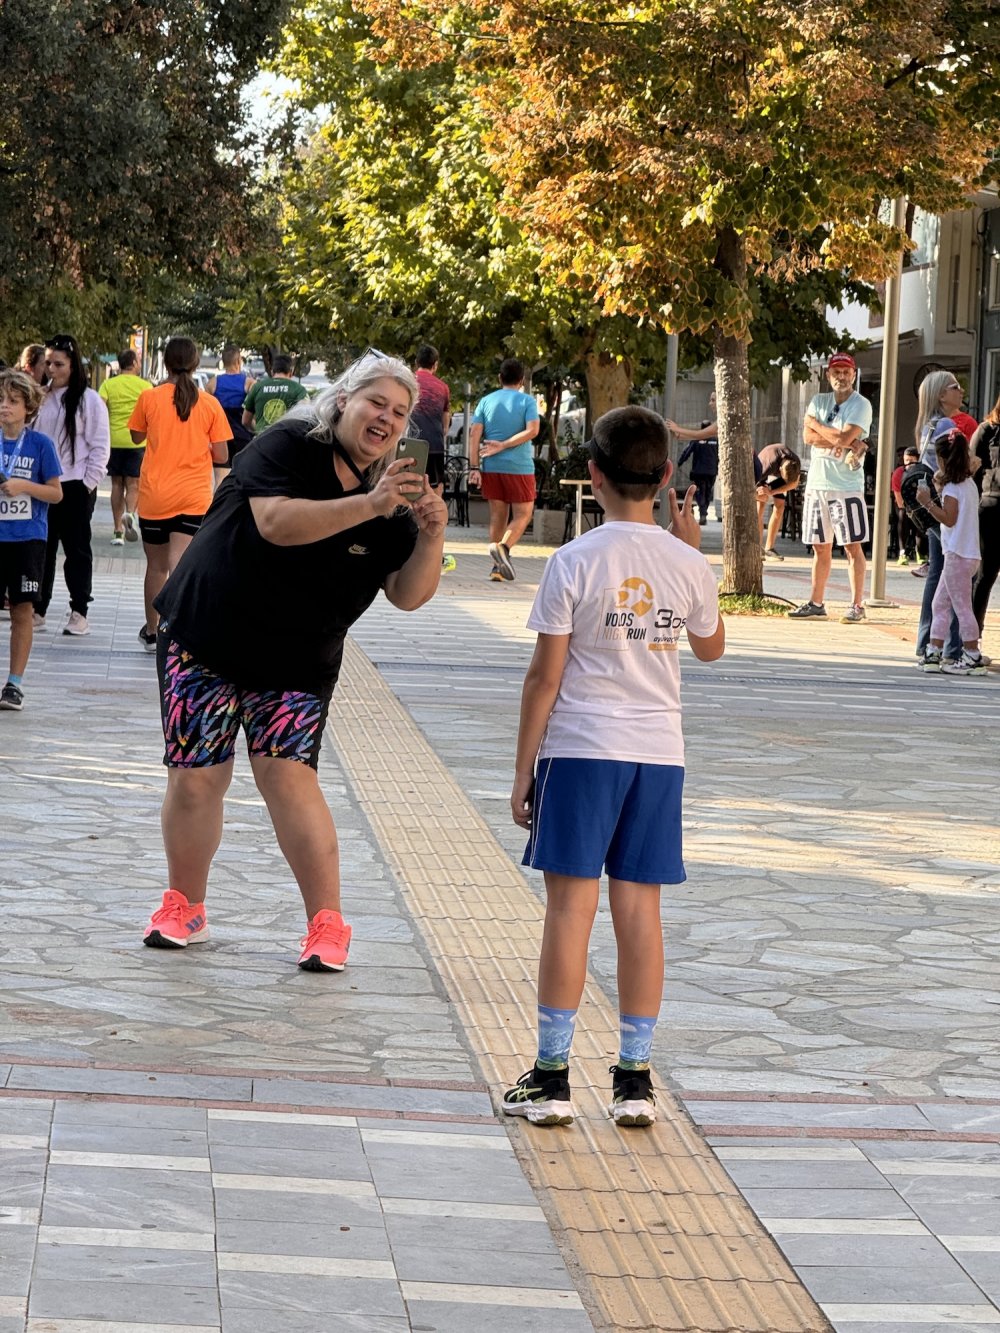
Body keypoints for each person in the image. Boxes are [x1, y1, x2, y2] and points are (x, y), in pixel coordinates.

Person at [141, 352, 447, 972]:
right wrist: (371, 504)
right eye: (375, 403)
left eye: (399, 412)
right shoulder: (288, 443)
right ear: (343, 401)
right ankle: (185, 906)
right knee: (197, 774)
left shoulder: (395, 496)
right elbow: (276, 522)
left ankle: (327, 924)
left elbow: (408, 596)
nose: (385, 419)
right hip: (206, 634)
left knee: (287, 775)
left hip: (297, 659)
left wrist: (432, 532)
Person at [501, 406, 724, 1128]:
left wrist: (522, 768)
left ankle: (552, 1075)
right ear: (665, 477)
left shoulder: (573, 561)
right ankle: (634, 1080)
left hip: (581, 749)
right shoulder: (688, 561)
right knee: (641, 913)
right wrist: (692, 552)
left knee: (570, 910)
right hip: (658, 757)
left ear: (592, 475)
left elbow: (544, 677)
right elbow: (710, 647)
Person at [128, 337, 231, 652]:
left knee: (156, 567)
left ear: (167, 362)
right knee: (182, 564)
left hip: (155, 495)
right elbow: (222, 454)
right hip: (194, 496)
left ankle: (152, 630)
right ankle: (182, 631)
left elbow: (135, 437)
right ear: (196, 363)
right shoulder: (210, 404)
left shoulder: (149, 398)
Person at [34, 333, 111, 636]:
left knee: (77, 550)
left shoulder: (89, 400)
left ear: (73, 365)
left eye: (59, 364)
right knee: (43, 547)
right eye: (48, 363)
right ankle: (38, 607)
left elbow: (100, 446)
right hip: (43, 485)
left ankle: (79, 610)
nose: (52, 369)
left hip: (76, 484)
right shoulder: (41, 397)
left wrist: (89, 483)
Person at [789, 352, 871, 623]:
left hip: (846, 485)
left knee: (851, 546)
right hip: (817, 483)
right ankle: (816, 602)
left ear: (854, 374)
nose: (841, 376)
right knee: (820, 546)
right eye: (836, 371)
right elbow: (807, 437)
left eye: (846, 371)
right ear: (828, 375)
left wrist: (820, 427)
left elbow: (845, 436)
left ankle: (857, 604)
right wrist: (841, 440)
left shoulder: (861, 404)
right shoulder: (818, 400)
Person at [0, 371, 63, 709]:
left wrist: (23, 486)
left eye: (12, 401)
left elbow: (56, 493)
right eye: (0, 400)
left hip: (27, 538)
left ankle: (14, 683)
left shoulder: (40, 446)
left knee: (22, 610)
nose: (4, 407)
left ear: (28, 408)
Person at [913, 371, 974, 664]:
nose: (961, 391)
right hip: (946, 510)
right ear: (941, 395)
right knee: (951, 582)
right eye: (955, 387)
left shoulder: (927, 425)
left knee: (939, 576)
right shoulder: (947, 426)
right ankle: (954, 648)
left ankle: (929, 644)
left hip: (933, 508)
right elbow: (960, 465)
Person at [916, 428, 986, 675]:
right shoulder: (968, 484)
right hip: (967, 554)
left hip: (957, 554)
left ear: (943, 460)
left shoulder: (953, 490)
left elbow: (949, 518)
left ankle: (972, 654)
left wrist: (927, 503)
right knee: (940, 602)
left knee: (962, 606)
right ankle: (934, 652)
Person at [469, 358, 540, 581]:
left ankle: (497, 568)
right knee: (524, 513)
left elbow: (474, 435)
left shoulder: (485, 401)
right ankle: (504, 548)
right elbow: (533, 431)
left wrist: (474, 466)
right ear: (522, 380)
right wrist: (506, 444)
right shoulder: (527, 401)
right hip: (519, 467)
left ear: (500, 378)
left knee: (497, 516)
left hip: (491, 466)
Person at [411, 344, 456, 573]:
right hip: (435, 447)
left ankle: (406, 544)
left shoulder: (407, 381)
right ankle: (434, 549)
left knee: (406, 489)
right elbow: (446, 425)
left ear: (415, 362)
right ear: (435, 365)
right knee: (435, 494)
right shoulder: (443, 388)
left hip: (410, 444)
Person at [99, 349, 152, 545]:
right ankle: (130, 514)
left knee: (116, 484)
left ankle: (117, 531)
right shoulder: (145, 386)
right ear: (133, 363)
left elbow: (100, 408)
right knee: (133, 484)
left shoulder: (108, 384)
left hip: (113, 440)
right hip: (137, 440)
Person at [971, 394, 1000, 636]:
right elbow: (971, 469)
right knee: (985, 574)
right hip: (992, 507)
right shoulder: (987, 430)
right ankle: (971, 636)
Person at [667, 393, 718, 525]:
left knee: (700, 493)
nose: (709, 403)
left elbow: (696, 437)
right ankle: (703, 513)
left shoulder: (720, 424)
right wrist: (679, 435)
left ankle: (703, 513)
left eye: (713, 400)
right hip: (711, 472)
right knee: (707, 494)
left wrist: (678, 430)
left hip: (699, 471)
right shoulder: (715, 440)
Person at [207, 344, 255, 483]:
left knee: (220, 479)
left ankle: (219, 503)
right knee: (243, 478)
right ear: (239, 360)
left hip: (221, 437)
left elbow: (207, 410)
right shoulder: (249, 383)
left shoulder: (213, 383)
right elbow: (253, 410)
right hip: (242, 436)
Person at [754, 443, 801, 560]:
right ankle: (757, 547)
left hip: (780, 474)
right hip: (761, 475)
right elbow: (750, 487)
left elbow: (793, 484)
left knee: (780, 506)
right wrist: (762, 493)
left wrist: (772, 492)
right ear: (780, 470)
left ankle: (769, 548)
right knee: (761, 503)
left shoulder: (795, 462)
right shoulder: (767, 464)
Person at [241, 354, 307, 437]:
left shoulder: (257, 387)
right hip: (287, 442)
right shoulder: (299, 390)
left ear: (272, 371)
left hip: (262, 442)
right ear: (291, 372)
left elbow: (245, 421)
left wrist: (259, 431)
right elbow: (305, 419)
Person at [891, 447, 921, 566]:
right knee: (902, 517)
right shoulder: (899, 473)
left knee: (922, 520)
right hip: (904, 504)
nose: (908, 464)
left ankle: (921, 551)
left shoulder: (921, 471)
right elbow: (899, 499)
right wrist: (907, 509)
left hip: (919, 503)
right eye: (906, 460)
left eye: (911, 460)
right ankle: (902, 552)